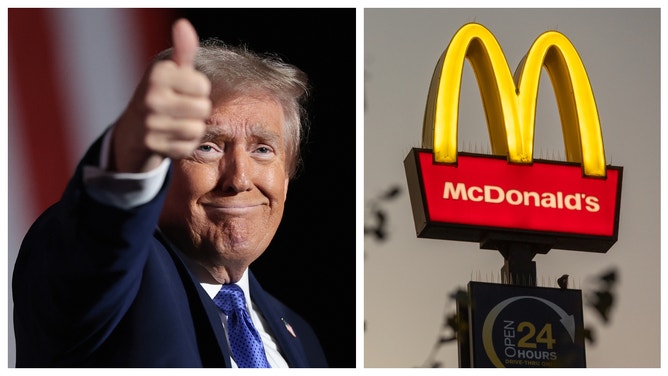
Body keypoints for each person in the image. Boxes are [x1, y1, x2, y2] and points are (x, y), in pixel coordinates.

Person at [12, 18, 328, 368]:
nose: (238, 179)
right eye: (208, 147)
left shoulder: (301, 336)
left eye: (262, 149)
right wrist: (127, 161)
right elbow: (96, 243)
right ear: (161, 163)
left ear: (286, 175)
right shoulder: (119, 282)